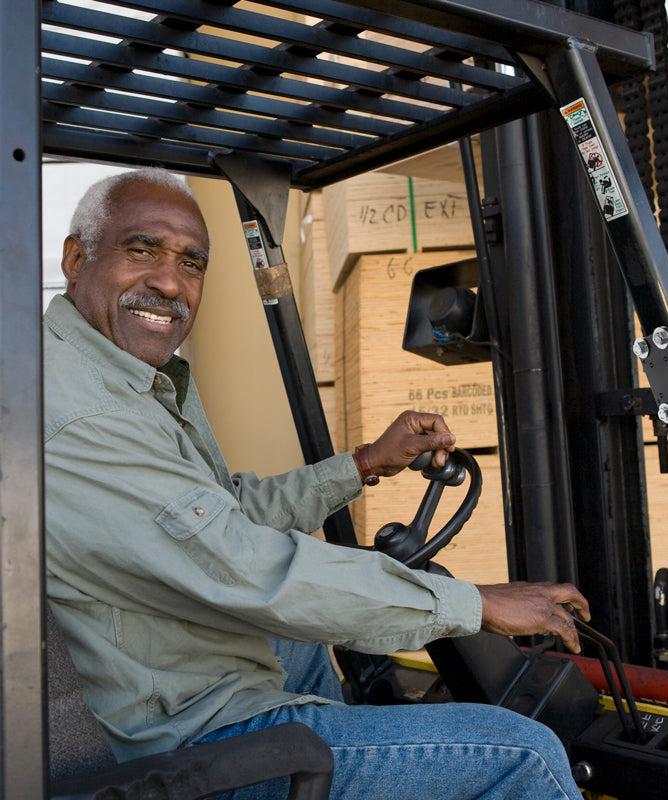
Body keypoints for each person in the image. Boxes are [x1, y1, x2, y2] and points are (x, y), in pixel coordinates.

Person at [45, 167, 590, 800]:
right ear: (76, 257)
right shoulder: (82, 413)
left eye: (191, 264)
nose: (170, 281)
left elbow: (223, 513)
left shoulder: (113, 376)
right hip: (183, 738)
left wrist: (362, 464)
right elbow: (241, 565)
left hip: (175, 665)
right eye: (142, 250)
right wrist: (471, 604)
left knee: (301, 638)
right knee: (522, 753)